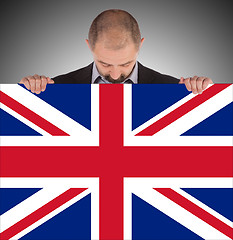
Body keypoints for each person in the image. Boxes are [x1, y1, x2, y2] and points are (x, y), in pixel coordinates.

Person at [20, 9, 213, 94]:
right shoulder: (57, 89)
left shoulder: (172, 89)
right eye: (104, 63)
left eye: (125, 64)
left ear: (140, 45)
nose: (115, 75)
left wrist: (206, 94)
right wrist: (26, 93)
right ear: (89, 46)